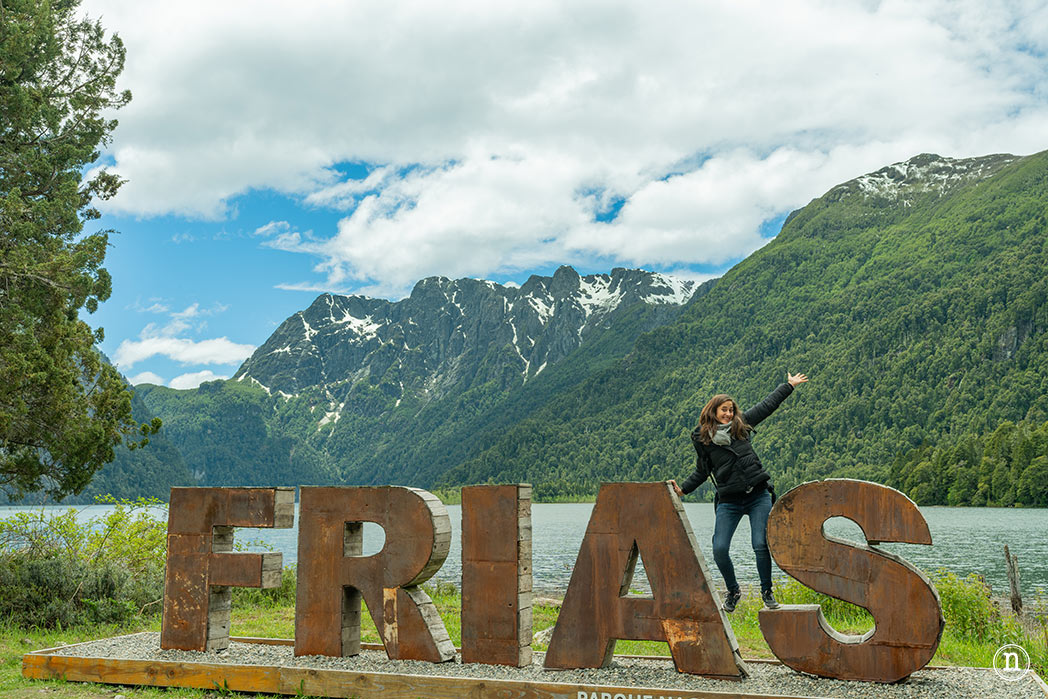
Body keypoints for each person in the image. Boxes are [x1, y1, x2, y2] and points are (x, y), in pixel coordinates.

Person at [670, 372, 808, 613]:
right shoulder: (702, 439)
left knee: (760, 544)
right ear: (713, 411)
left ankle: (767, 592)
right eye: (724, 410)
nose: (728, 414)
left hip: (757, 495)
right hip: (729, 500)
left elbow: (767, 406)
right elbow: (702, 471)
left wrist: (788, 386)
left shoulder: (741, 426)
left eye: (731, 410)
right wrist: (683, 490)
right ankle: (733, 591)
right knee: (719, 549)